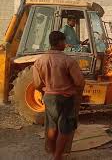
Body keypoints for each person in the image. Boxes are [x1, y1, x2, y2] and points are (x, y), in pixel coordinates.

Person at [32, 31, 85, 160]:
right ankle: (57, 157)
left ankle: (52, 153)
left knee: (51, 125)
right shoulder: (68, 60)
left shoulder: (39, 61)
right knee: (65, 128)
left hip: (49, 97)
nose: (65, 44)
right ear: (60, 42)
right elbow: (79, 82)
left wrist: (45, 90)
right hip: (66, 98)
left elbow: (37, 83)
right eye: (64, 41)